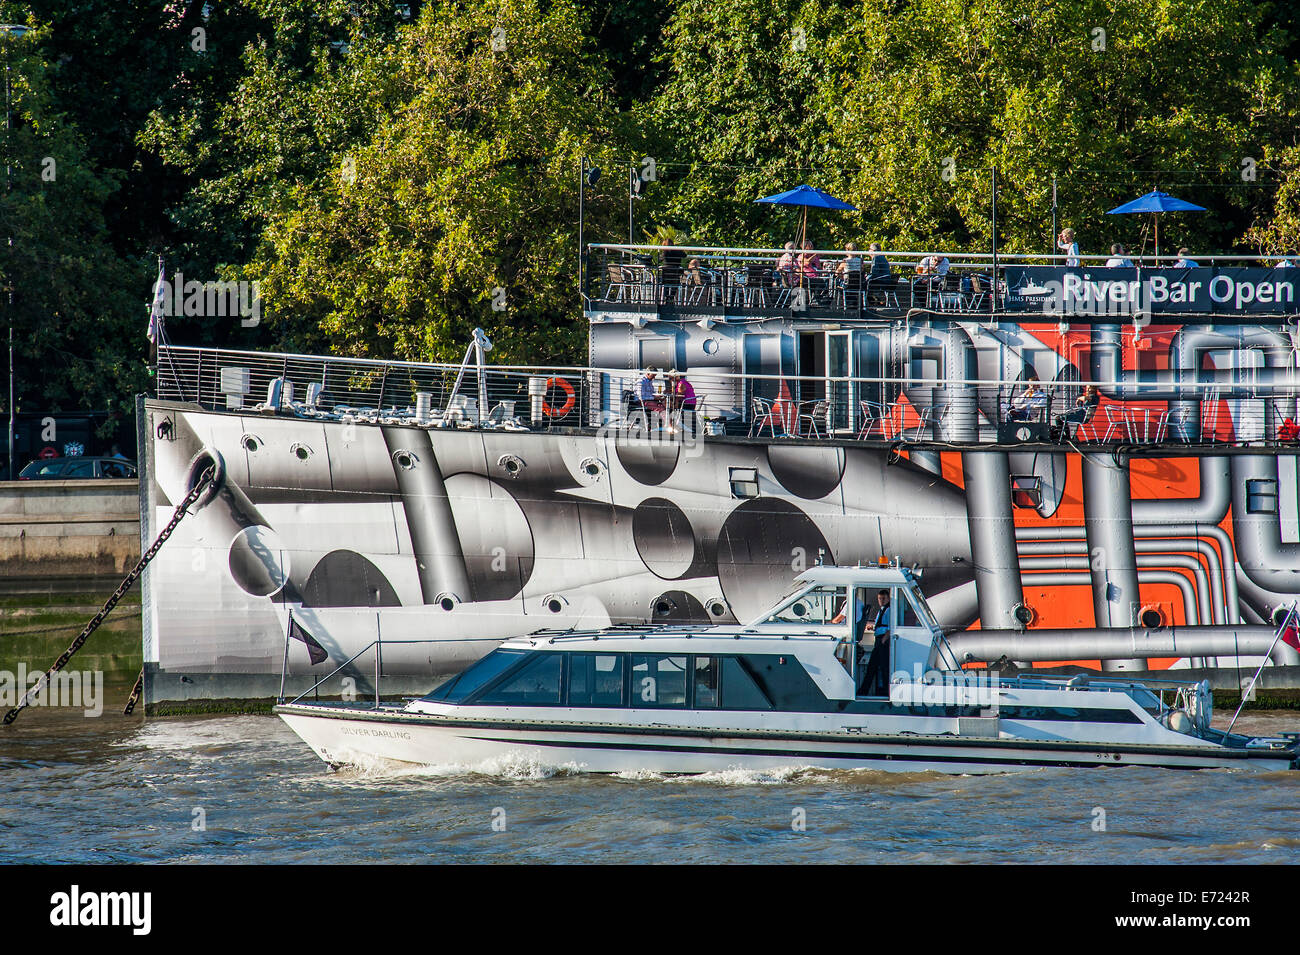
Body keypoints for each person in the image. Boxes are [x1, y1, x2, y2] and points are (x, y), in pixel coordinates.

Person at [859, 589, 892, 697]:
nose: (881, 600)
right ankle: (863, 691)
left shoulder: (889, 610)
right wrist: (873, 627)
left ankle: (886, 692)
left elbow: (890, 628)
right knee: (872, 667)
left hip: (882, 641)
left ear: (888, 598)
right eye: (879, 598)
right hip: (878, 640)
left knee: (883, 668)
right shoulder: (881, 610)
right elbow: (881, 625)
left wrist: (883, 640)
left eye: (883, 598)